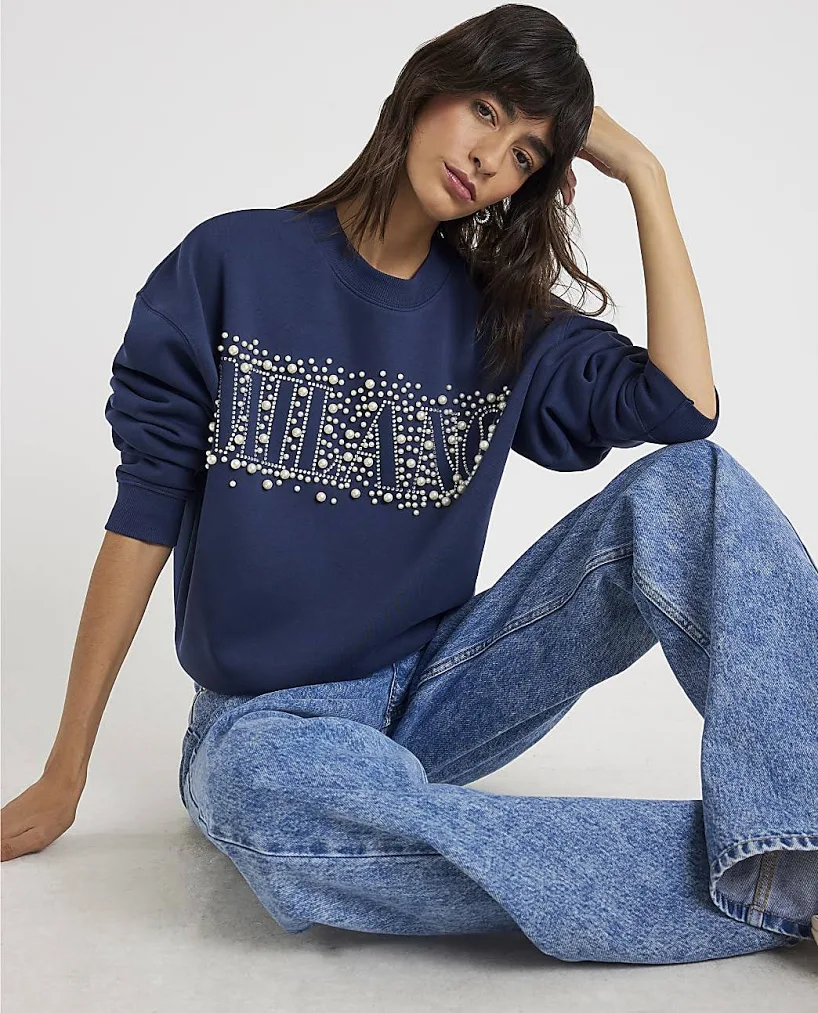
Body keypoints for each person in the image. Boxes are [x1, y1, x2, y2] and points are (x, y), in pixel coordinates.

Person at [3, 5, 816, 965]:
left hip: (439, 688)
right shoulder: (230, 264)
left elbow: (682, 409)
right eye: (486, 110)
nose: (488, 159)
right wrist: (66, 770)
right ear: (427, 88)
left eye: (524, 154)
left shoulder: (501, 319)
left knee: (697, 488)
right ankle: (775, 878)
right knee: (265, 802)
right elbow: (143, 511)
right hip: (269, 724)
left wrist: (645, 172)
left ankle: (798, 831)